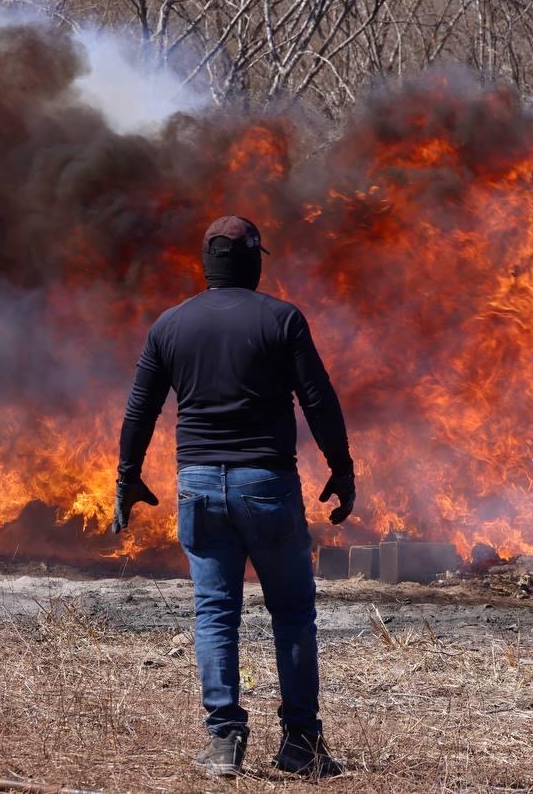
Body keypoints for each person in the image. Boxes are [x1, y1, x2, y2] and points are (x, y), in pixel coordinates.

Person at [113, 214, 355, 778]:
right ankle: (301, 744)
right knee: (291, 613)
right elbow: (318, 400)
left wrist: (127, 476)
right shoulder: (282, 318)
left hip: (198, 485)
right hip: (265, 484)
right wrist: (342, 468)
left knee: (215, 613)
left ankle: (224, 739)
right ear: (253, 262)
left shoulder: (170, 324)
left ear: (207, 263)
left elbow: (140, 409)